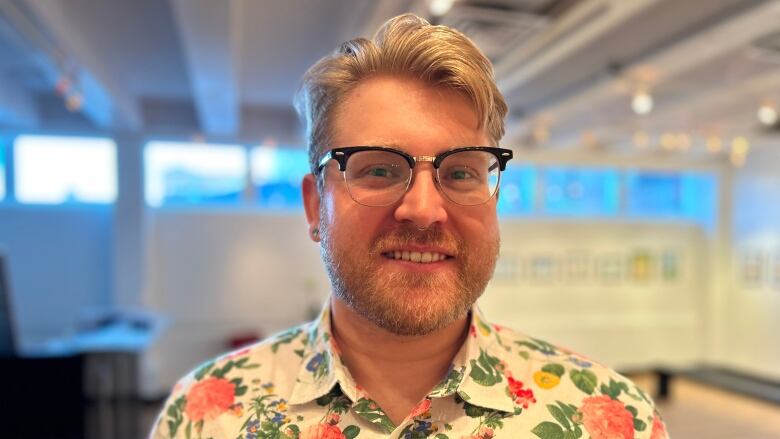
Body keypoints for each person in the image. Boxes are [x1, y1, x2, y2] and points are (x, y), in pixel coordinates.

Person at [150, 14, 669, 439]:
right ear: (315, 207)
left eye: (462, 171)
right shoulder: (206, 416)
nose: (424, 209)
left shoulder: (609, 419)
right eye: (378, 168)